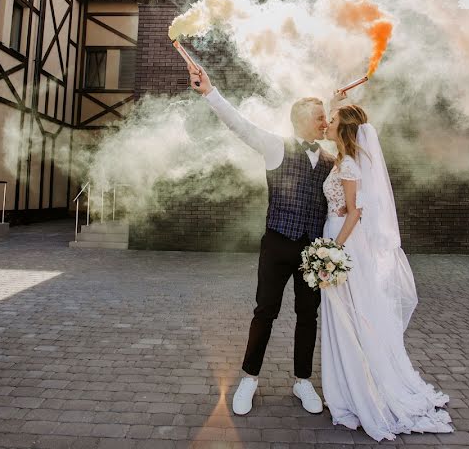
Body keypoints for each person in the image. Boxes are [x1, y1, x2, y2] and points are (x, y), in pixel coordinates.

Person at [188, 63, 342, 416]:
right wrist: (209, 91)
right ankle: (249, 379)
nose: (324, 122)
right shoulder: (276, 146)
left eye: (326, 117)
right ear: (301, 119)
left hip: (314, 250)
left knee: (308, 317)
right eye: (320, 117)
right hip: (277, 244)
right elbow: (238, 124)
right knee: (265, 312)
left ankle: (302, 381)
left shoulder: (333, 159)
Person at [320, 105, 454, 441]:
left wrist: (332, 251)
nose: (327, 123)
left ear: (345, 130)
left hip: (342, 242)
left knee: (350, 316)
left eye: (332, 120)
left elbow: (354, 213)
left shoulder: (349, 165)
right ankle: (345, 387)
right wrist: (336, 99)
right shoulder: (340, 160)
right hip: (335, 237)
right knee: (340, 317)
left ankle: (359, 391)